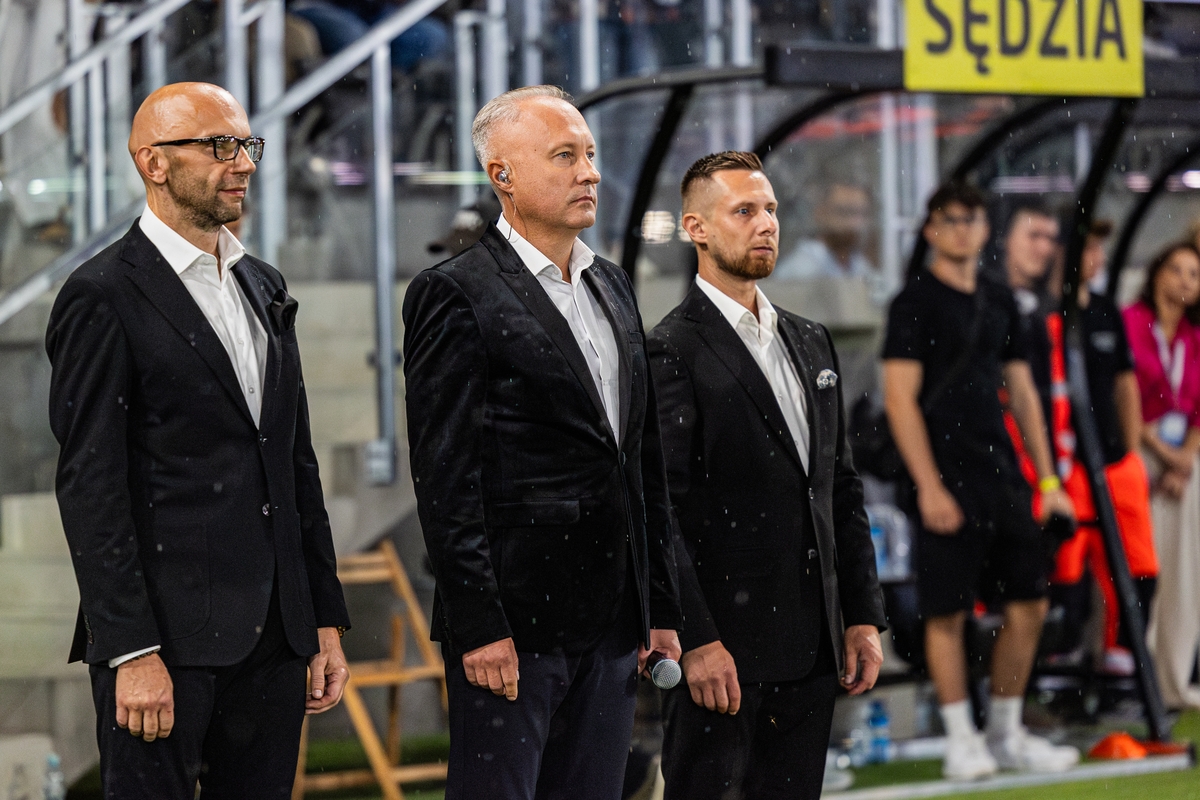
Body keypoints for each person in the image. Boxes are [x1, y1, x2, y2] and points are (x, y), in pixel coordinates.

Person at [44, 82, 350, 799]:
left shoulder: (263, 284)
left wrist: (322, 618)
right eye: (218, 145)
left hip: (275, 639)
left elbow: (293, 463)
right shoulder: (101, 294)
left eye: (246, 144)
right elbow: (92, 487)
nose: (242, 162)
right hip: (166, 641)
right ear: (154, 162)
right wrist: (131, 650)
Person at [401, 85, 682, 799]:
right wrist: (478, 623)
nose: (590, 171)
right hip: (515, 624)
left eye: (590, 154)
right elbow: (445, 478)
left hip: (613, 620)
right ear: (503, 174)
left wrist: (659, 606)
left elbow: (638, 460)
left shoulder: (612, 283)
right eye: (564, 156)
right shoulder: (455, 291)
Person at [648, 151, 887, 799]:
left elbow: (839, 487)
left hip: (812, 649)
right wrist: (696, 640)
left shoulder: (810, 340)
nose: (766, 224)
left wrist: (861, 614)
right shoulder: (671, 349)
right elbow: (660, 513)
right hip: (724, 655)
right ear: (696, 228)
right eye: (744, 210)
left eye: (772, 210)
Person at [882, 181, 1080, 780]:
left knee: (1030, 603)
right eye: (950, 219)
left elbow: (1023, 391)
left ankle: (1005, 731)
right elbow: (899, 399)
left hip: (1002, 474)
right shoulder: (913, 302)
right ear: (930, 230)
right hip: (944, 477)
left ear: (985, 228)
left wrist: (1049, 483)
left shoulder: (999, 298)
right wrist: (929, 487)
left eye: (971, 219)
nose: (962, 229)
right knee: (946, 612)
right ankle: (960, 738)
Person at [1124, 242, 1200, 710]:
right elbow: (1124, 396)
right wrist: (1165, 454)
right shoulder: (1132, 322)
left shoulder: (1193, 336)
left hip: (1183, 462)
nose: (1184, 281)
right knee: (1140, 566)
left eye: (1194, 274)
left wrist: (1184, 459)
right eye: (1176, 269)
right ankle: (1132, 673)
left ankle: (1174, 681)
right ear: (1156, 273)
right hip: (1141, 449)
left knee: (1185, 570)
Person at [774, 182, 876, 285]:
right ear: (820, 213)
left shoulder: (860, 265)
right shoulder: (800, 269)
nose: (854, 223)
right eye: (844, 212)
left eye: (862, 214)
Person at [1003, 202, 1060, 317]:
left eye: (1050, 239)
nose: (1044, 249)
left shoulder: (1054, 309)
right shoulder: (982, 299)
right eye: (1034, 235)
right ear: (1008, 238)